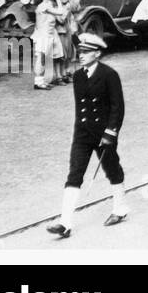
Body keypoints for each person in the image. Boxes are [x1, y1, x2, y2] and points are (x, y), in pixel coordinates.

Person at [45, 33, 130, 238]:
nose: (80, 56)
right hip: (82, 134)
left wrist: (110, 133)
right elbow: (80, 108)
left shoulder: (109, 75)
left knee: (112, 169)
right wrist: (78, 133)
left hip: (104, 134)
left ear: (97, 53)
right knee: (74, 174)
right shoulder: (78, 76)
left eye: (86, 52)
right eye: (80, 52)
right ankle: (65, 223)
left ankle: (120, 208)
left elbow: (117, 108)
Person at [30, 0, 66, 90]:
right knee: (41, 59)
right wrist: (59, 1)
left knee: (43, 59)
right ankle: (38, 82)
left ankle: (41, 81)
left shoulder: (48, 4)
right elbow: (60, 12)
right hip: (43, 36)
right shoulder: (43, 6)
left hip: (48, 34)